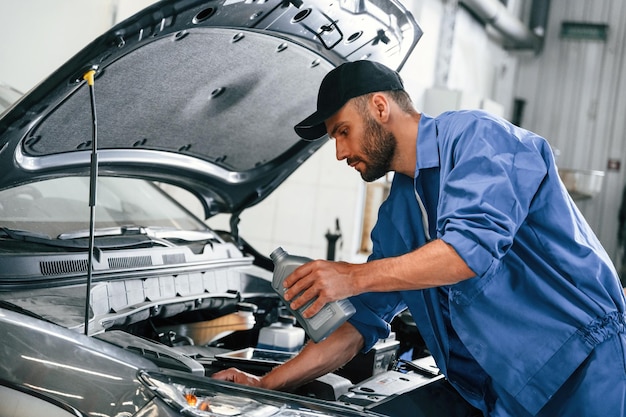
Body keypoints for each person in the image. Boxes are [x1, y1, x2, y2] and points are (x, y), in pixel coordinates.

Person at [213, 60, 626, 416]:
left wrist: (351, 276)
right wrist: (265, 386)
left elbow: (468, 251)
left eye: (342, 131)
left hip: (584, 368)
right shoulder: (400, 212)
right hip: (503, 391)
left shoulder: (476, 140)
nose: (339, 152)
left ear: (379, 107)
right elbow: (359, 324)